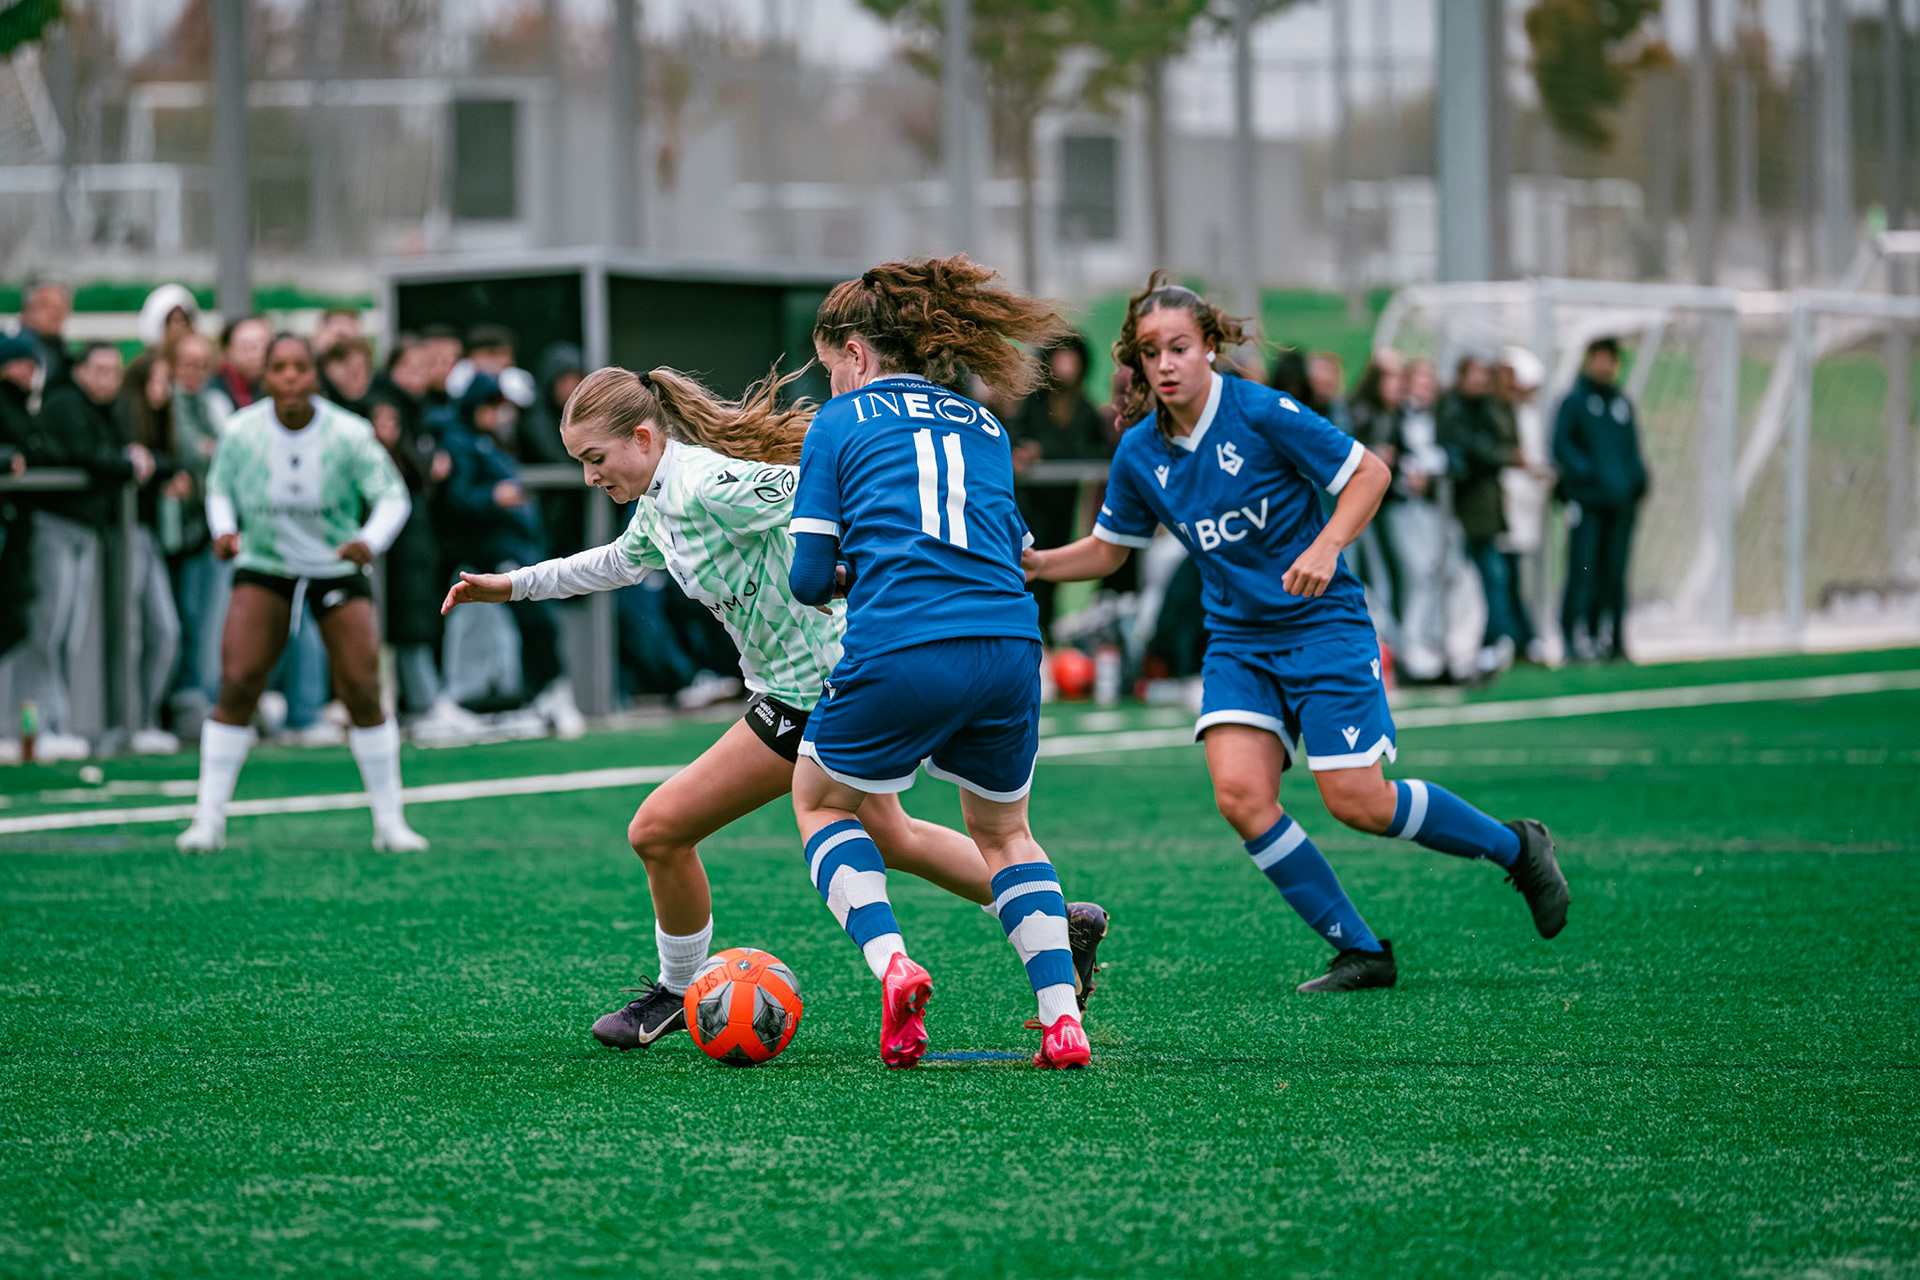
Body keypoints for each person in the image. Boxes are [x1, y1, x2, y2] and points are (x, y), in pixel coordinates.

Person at [441, 362, 1109, 1052]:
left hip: (816, 689)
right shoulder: (660, 506)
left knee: (658, 831)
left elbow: (812, 489)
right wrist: (510, 586)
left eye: (595, 458)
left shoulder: (705, 484)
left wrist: (877, 555)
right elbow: (613, 562)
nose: (589, 476)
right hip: (810, 685)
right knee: (893, 837)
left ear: (641, 437)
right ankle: (1056, 924)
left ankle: (676, 990)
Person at [1025, 274, 1569, 994]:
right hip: (1238, 643)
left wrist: (1325, 547)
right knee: (1241, 796)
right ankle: (1361, 950)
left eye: (1179, 347)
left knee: (1358, 802)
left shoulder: (1258, 411)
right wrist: (1036, 564)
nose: (1166, 364)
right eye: (1151, 352)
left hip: (1322, 626)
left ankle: (1516, 847)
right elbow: (1108, 550)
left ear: (1209, 346)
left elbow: (1370, 474)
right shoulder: (1139, 452)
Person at [790, 255, 1098, 1069]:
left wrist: (863, 568)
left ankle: (894, 964)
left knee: (821, 804)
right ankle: (1061, 1019)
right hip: (1011, 646)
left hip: (905, 642)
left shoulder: (839, 421)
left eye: (829, 367)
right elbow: (1016, 550)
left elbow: (808, 580)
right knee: (1006, 833)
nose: (830, 384)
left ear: (856, 352)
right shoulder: (985, 424)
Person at [176, 334, 425, 854]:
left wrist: (369, 542)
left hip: (334, 567)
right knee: (238, 682)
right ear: (265, 376)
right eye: (280, 367)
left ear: (316, 376)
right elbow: (218, 488)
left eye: (301, 367)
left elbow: (393, 497)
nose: (290, 377)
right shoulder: (241, 431)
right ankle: (207, 821)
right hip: (265, 563)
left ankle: (390, 824)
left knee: (362, 686)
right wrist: (224, 530)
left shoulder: (349, 433)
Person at [16, 342, 153, 759]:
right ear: (81, 370)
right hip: (54, 525)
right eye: (100, 369)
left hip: (84, 529)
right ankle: (32, 728)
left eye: (115, 371)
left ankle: (56, 724)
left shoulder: (107, 410)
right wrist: (127, 463)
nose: (108, 379)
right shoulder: (64, 402)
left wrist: (127, 458)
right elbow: (87, 455)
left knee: (68, 634)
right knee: (47, 629)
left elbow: (117, 452)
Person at [434, 372, 585, 736]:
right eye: (493, 406)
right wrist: (494, 497)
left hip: (513, 547)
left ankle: (542, 695)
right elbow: (457, 498)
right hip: (489, 550)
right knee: (532, 620)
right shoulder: (459, 441)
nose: (499, 414)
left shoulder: (489, 441)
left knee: (536, 621)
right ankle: (543, 693)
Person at [1008, 333, 1110, 639]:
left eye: (1071, 357)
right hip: (1032, 505)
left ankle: (1048, 633)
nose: (1067, 365)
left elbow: (1099, 450)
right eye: (1061, 357)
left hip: (1065, 503)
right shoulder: (1033, 404)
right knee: (1030, 570)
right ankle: (1029, 633)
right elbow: (1015, 440)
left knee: (1055, 568)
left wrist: (1047, 451)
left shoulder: (1085, 408)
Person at [1554, 337, 1647, 662]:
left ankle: (1613, 638)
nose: (1605, 365)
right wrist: (1589, 476)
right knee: (1584, 569)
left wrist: (1637, 481)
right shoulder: (1574, 402)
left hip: (1620, 506)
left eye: (1610, 359)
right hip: (1588, 503)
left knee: (1615, 573)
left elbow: (1632, 450)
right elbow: (1562, 445)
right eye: (1599, 358)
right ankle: (1574, 638)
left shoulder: (1621, 404)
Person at [114, 351, 185, 752]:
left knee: (165, 630)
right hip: (124, 533)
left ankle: (146, 718)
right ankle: (128, 722)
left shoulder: (163, 421)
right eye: (157, 380)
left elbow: (170, 461)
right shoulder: (125, 414)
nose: (164, 389)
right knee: (131, 631)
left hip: (149, 534)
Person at [1437, 354, 1523, 671]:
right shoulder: (1453, 408)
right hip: (1458, 510)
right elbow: (1474, 450)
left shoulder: (1489, 407)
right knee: (1473, 579)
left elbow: (1501, 443)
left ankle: (1492, 641)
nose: (1480, 381)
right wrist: (1502, 456)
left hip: (1486, 510)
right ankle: (1480, 643)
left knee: (1491, 577)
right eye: (1474, 374)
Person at [165, 332, 228, 714]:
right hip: (178, 530)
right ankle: (184, 700)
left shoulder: (211, 402)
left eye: (202, 365)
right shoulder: (169, 401)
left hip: (207, 530)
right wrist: (208, 450)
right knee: (185, 617)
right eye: (187, 364)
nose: (195, 373)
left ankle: (203, 699)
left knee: (209, 620)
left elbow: (225, 453)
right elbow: (190, 449)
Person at [1496, 347, 1552, 662]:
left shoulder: (1527, 416)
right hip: (1506, 508)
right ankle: (1513, 635)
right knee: (1504, 575)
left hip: (1524, 508)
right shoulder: (1504, 414)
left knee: (1515, 575)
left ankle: (1521, 636)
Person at [207, 315, 271, 430]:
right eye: (247, 347)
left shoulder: (272, 385)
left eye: (263, 347)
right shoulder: (213, 391)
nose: (256, 355)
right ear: (226, 352)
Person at [16, 277, 72, 389]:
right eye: (45, 306)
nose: (54, 313)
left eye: (59, 307)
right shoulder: (18, 355)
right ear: (25, 313)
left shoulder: (59, 349)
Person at [137, 283, 199, 357]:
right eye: (175, 320)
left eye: (185, 319)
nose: (181, 326)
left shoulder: (202, 358)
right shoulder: (148, 363)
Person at [318, 338, 374, 415]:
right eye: (351, 371)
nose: (359, 379)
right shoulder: (320, 406)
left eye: (363, 369)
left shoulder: (376, 406)